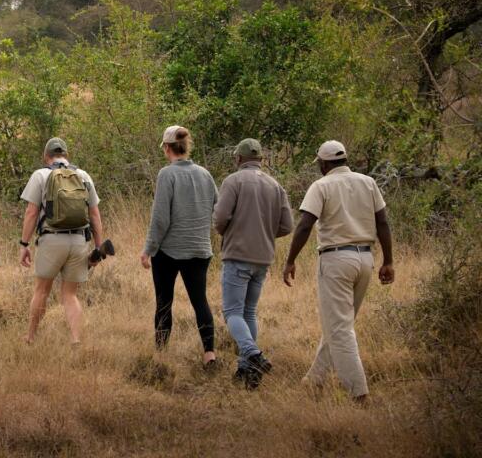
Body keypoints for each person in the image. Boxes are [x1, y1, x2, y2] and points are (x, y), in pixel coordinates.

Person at [283, 140, 395, 402]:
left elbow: (304, 225)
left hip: (335, 260)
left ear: (323, 163)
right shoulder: (368, 182)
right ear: (344, 159)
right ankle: (315, 379)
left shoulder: (321, 185)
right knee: (340, 324)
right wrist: (388, 260)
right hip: (366, 259)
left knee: (340, 328)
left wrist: (289, 260)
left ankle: (359, 393)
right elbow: (383, 222)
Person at [213, 138, 293, 389]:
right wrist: (265, 234)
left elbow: (220, 219)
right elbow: (287, 225)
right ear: (260, 160)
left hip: (238, 256)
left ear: (238, 158)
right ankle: (246, 369)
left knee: (232, 312)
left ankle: (254, 355)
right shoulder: (275, 185)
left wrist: (231, 232)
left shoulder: (233, 181)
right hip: (263, 259)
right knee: (249, 312)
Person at [141, 126, 219, 368]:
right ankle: (209, 354)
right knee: (200, 301)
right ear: (186, 146)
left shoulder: (167, 174)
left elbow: (160, 218)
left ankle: (161, 355)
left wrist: (148, 249)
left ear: (167, 148)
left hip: (169, 251)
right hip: (199, 249)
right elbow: (217, 208)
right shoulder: (205, 174)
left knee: (164, 301)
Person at [18, 137, 105, 345]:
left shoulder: (40, 175)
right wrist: (99, 247)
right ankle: (76, 339)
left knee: (42, 290)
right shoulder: (83, 175)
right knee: (70, 295)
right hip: (78, 241)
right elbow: (94, 214)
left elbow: (31, 212)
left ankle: (30, 337)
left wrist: (24, 244)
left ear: (46, 156)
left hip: (51, 240)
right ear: (66, 155)